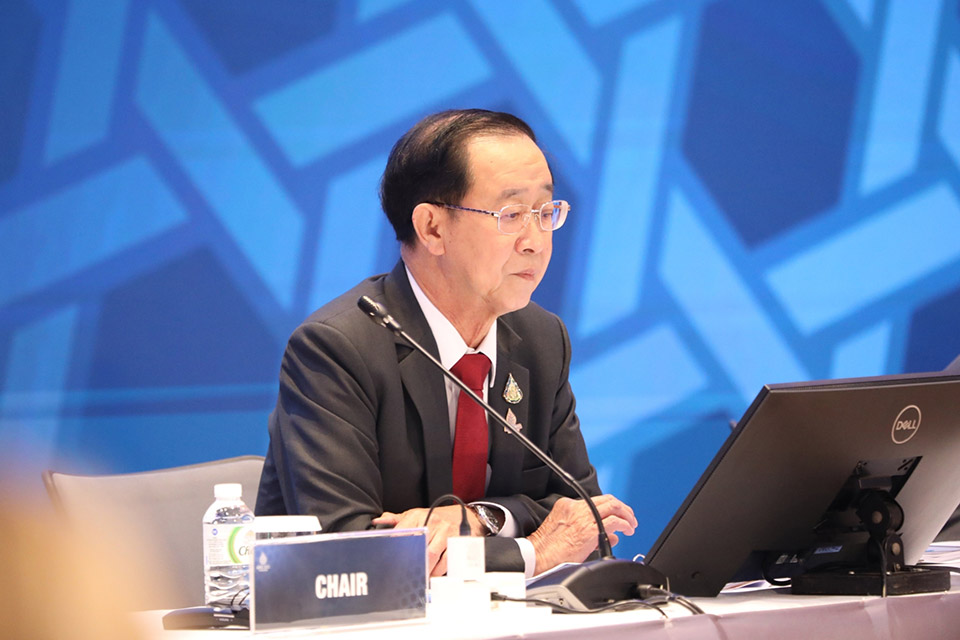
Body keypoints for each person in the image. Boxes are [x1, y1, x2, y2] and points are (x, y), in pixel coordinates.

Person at [256, 109, 637, 576]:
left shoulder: (541, 339)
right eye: (512, 215)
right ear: (432, 228)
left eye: (545, 212)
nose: (536, 242)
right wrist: (533, 552)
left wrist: (483, 517)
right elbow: (347, 552)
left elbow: (582, 518)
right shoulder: (337, 349)